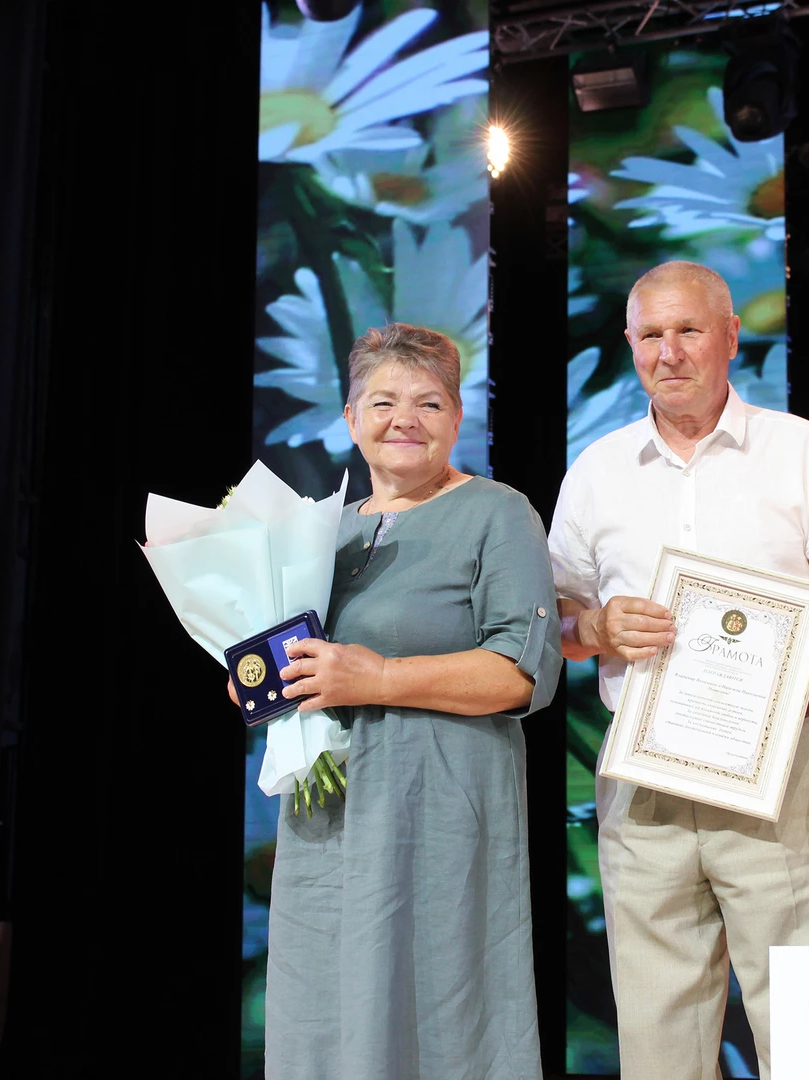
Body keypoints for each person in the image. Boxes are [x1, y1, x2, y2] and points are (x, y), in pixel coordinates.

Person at [549, 261, 809, 1079]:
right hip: (645, 774)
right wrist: (595, 625)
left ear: (732, 337)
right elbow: (558, 625)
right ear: (630, 343)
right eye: (650, 335)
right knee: (657, 1029)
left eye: (688, 330)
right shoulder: (596, 470)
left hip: (789, 767)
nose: (668, 352)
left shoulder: (798, 450)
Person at [244, 322, 561, 1080]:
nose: (404, 420)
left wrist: (380, 678)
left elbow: (523, 674)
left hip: (440, 811)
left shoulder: (497, 512)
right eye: (383, 402)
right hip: (326, 820)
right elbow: (291, 660)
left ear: (457, 418)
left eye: (429, 403)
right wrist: (257, 680)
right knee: (324, 1014)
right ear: (351, 418)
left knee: (442, 1008)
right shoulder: (322, 532)